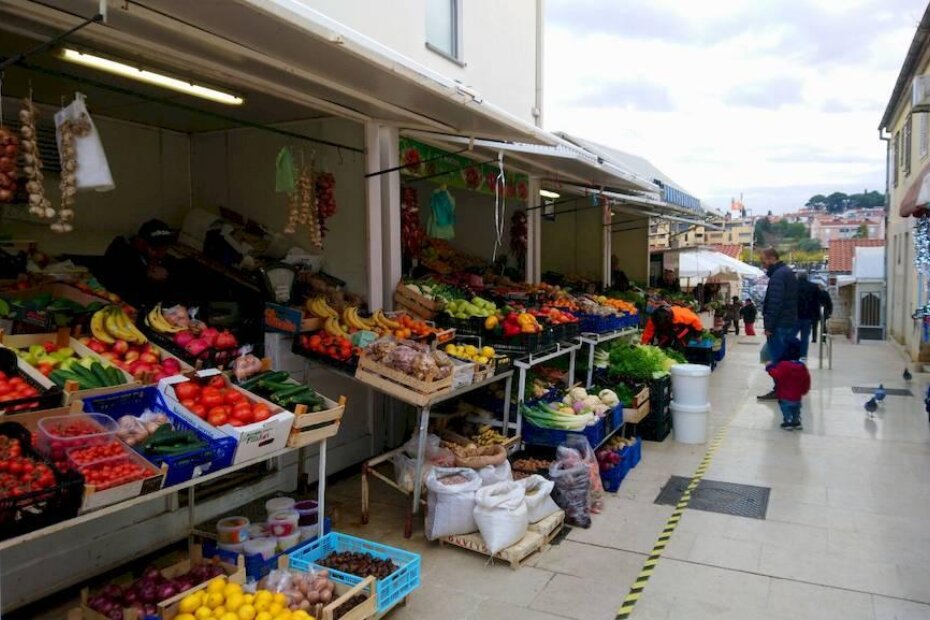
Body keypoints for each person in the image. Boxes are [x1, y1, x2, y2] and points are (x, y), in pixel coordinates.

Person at [101, 219, 177, 307]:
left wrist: (167, 275)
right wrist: (146, 275)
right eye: (155, 249)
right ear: (140, 242)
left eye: (165, 249)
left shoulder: (160, 256)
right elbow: (118, 284)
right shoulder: (120, 252)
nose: (161, 254)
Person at [757, 247, 798, 401]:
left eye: (764, 260)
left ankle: (781, 389)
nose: (763, 264)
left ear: (771, 258)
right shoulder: (786, 272)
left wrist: (769, 327)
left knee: (775, 358)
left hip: (779, 325)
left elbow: (775, 303)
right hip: (787, 323)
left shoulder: (779, 276)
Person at [765, 337, 810, 431]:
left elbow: (776, 375)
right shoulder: (802, 367)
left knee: (786, 408)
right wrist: (803, 390)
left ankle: (788, 421)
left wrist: (769, 367)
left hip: (784, 395)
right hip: (797, 396)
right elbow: (806, 380)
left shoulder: (783, 365)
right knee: (796, 409)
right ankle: (796, 422)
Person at [796, 272, 820, 361]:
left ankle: (792, 351)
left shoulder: (792, 286)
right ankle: (803, 356)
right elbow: (817, 302)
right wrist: (816, 316)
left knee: (789, 336)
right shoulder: (814, 287)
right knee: (805, 338)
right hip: (808, 316)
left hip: (795, 316)